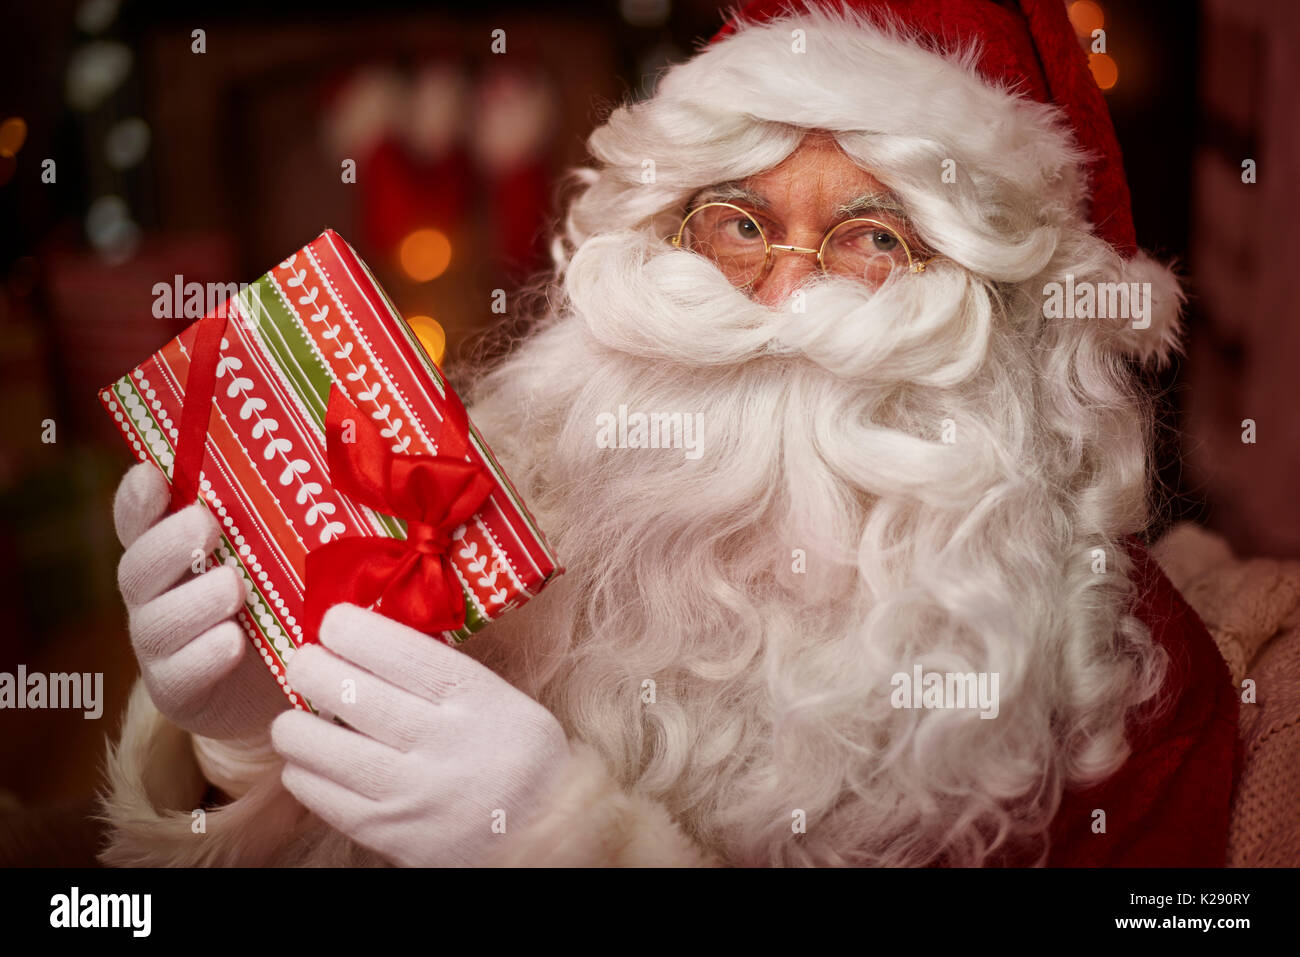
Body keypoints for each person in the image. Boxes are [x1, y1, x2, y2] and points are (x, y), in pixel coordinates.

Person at [98, 0, 1239, 867]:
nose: (784, 295)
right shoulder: (521, 490)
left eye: (872, 239)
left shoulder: (1114, 688)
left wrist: (560, 836)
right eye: (738, 223)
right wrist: (251, 738)